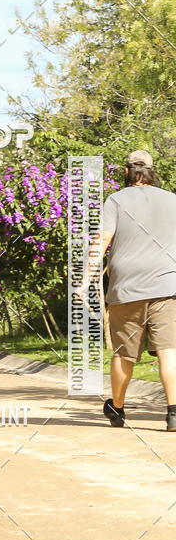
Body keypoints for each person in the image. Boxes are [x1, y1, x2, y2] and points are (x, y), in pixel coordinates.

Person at [98, 150, 176, 431]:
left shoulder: (116, 200)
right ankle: (173, 413)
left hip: (126, 287)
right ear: (152, 171)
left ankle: (117, 410)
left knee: (123, 352)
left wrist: (85, 278)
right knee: (169, 350)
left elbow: (103, 241)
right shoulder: (172, 200)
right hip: (167, 285)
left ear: (127, 172)